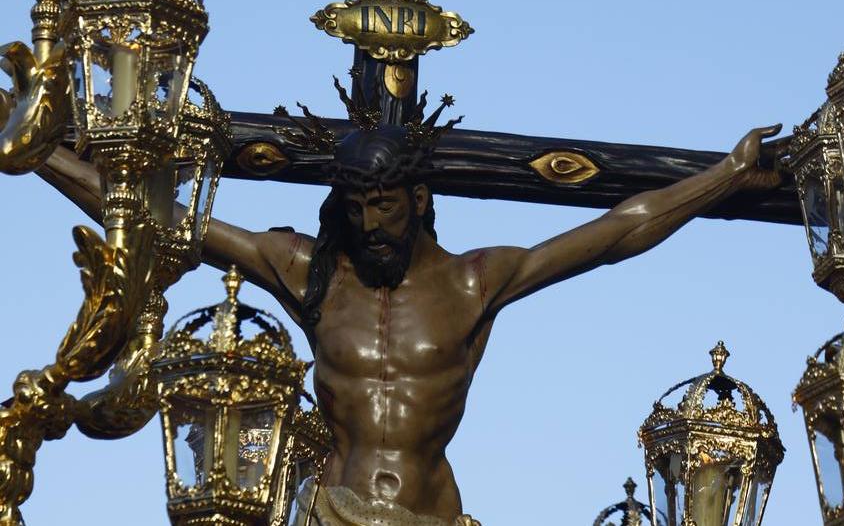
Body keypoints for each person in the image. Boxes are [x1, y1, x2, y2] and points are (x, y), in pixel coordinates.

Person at [38, 88, 781, 526]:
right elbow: (160, 222)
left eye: (385, 205)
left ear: (419, 201)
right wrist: (36, 147)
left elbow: (618, 230)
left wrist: (724, 175)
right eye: (357, 206)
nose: (371, 224)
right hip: (334, 510)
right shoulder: (310, 273)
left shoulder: (473, 283)